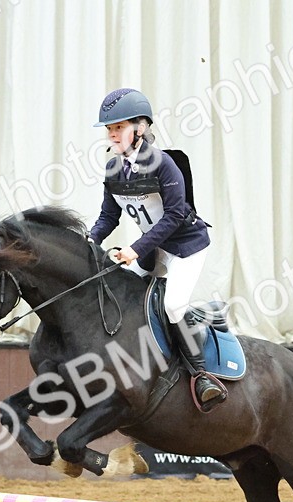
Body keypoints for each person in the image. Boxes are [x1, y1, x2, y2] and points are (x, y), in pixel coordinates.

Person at [87, 87, 227, 412]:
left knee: (174, 304)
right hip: (153, 247)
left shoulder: (164, 165)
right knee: (122, 290)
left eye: (118, 127)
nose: (112, 135)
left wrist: (135, 249)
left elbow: (176, 215)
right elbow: (109, 216)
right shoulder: (113, 169)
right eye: (109, 129)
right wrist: (89, 243)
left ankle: (200, 375)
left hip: (185, 246)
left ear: (140, 128)